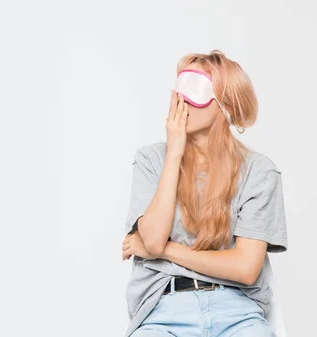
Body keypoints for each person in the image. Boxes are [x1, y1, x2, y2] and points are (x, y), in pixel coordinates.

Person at [121, 50, 288, 337]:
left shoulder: (259, 172)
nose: (182, 99)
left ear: (225, 103)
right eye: (179, 87)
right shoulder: (151, 160)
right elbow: (153, 237)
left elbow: (246, 268)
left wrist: (166, 251)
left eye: (195, 88)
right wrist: (174, 151)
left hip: (238, 313)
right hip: (165, 312)